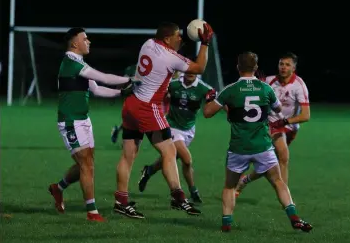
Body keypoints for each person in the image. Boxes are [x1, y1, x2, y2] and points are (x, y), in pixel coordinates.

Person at [113, 21, 214, 219]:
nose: (181, 39)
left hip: (131, 103)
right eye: (178, 36)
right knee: (170, 151)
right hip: (148, 108)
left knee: (128, 156)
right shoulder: (170, 56)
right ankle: (178, 196)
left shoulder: (148, 43)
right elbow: (199, 67)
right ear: (168, 38)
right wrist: (205, 43)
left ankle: (121, 202)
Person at [203, 52, 312, 232]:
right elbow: (277, 108)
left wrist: (213, 101)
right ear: (255, 68)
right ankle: (293, 216)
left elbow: (207, 113)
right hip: (262, 146)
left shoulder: (230, 90)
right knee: (278, 181)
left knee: (229, 186)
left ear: (238, 67)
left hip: (238, 148)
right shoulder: (266, 88)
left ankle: (226, 224)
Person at [49, 27, 134, 222]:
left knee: (86, 164)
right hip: (70, 121)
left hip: (83, 120)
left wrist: (121, 93)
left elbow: (96, 89)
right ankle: (92, 212)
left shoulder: (79, 63)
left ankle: (58, 188)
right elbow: (103, 77)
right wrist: (130, 80)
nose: (89, 42)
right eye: (85, 39)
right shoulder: (70, 63)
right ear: (74, 43)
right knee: (86, 164)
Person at [236, 52, 310, 196]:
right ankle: (285, 196)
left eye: (287, 65)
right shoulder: (269, 81)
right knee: (283, 157)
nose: (283, 67)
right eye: (281, 64)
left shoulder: (298, 85)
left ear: (294, 68)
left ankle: (244, 181)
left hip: (290, 127)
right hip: (272, 124)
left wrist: (286, 121)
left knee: (270, 164)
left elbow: (305, 116)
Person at [138, 73, 217, 203]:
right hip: (172, 127)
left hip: (189, 129)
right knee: (187, 160)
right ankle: (188, 192)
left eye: (194, 71)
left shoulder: (204, 88)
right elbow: (157, 94)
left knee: (171, 157)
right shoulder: (173, 84)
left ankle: (150, 170)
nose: (191, 74)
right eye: (188, 70)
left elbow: (218, 101)